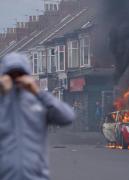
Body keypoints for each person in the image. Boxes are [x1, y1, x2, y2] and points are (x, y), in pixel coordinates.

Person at [0, 52, 75, 180]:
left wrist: (38, 92)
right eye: (11, 75)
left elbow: (67, 117)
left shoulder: (38, 101)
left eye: (20, 74)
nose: (16, 78)